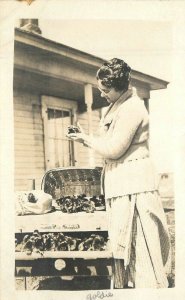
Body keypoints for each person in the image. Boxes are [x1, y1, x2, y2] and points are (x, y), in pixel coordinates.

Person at [67, 58, 171, 288]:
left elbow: (114, 149)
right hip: (122, 185)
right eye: (100, 88)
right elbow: (108, 142)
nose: (102, 94)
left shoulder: (133, 108)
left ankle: (149, 291)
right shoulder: (117, 106)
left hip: (135, 188)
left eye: (105, 90)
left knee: (141, 251)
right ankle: (128, 290)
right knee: (124, 247)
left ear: (119, 86)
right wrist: (86, 137)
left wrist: (85, 139)